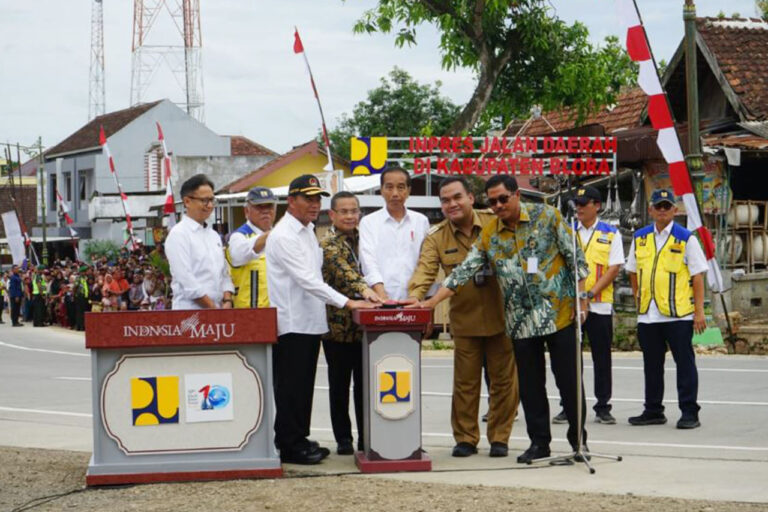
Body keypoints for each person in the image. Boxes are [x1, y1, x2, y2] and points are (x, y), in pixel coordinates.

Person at [414, 175, 590, 464]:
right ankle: (539, 444)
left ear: (516, 195)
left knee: (569, 383)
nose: (497, 206)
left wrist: (582, 299)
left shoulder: (547, 215)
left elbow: (575, 258)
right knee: (531, 388)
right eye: (492, 201)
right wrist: (431, 301)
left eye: (502, 199)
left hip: (558, 314)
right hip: (520, 322)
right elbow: (464, 271)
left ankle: (578, 443)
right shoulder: (490, 234)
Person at [265, 174, 377, 465]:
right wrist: (348, 300)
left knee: (303, 386)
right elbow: (307, 280)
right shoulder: (284, 235)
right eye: (308, 198)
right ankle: (289, 444)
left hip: (310, 321)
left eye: (317, 198)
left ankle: (299, 438)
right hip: (292, 323)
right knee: (291, 387)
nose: (314, 204)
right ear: (292, 201)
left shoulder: (306, 231)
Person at [407, 177, 519, 458]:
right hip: (465, 321)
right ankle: (466, 438)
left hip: (503, 317)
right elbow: (425, 271)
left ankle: (499, 437)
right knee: (465, 384)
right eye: (445, 200)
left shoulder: (495, 222)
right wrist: (416, 298)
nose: (451, 204)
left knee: (504, 383)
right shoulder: (437, 237)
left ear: (471, 197)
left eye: (457, 197)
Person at [625, 188, 708, 430]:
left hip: (678, 314)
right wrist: (637, 293)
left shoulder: (685, 238)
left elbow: (698, 277)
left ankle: (689, 412)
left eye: (666, 206)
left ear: (674, 210)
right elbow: (632, 270)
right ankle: (653, 410)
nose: (662, 211)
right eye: (658, 206)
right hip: (648, 315)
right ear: (650, 210)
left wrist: (699, 312)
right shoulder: (640, 237)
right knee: (651, 366)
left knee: (684, 364)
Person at [552, 186, 624, 426]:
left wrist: (590, 293)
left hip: (599, 304)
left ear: (597, 206)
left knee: (601, 357)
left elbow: (614, 268)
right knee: (570, 359)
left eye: (584, 203)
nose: (579, 208)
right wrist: (576, 297)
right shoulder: (567, 232)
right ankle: (569, 405)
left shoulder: (611, 233)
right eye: (577, 204)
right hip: (571, 305)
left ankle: (603, 406)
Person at [320, 191, 381, 455]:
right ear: (332, 215)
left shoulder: (365, 239)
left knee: (365, 387)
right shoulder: (329, 244)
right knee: (339, 386)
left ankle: (366, 436)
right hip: (338, 329)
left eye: (353, 211)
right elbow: (345, 274)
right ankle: (343, 439)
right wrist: (368, 292)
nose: (349, 216)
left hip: (366, 328)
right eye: (343, 211)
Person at [359, 166, 430, 300]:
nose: (395, 193)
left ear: (409, 191)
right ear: (381, 190)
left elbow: (426, 262)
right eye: (389, 187)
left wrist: (416, 295)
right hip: (379, 301)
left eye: (401, 187)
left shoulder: (421, 221)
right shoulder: (368, 222)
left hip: (414, 300)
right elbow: (368, 262)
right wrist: (382, 296)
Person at [165, 174, 234, 310]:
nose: (209, 206)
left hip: (219, 313)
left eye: (211, 200)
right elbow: (187, 281)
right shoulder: (178, 234)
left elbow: (224, 273)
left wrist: (227, 299)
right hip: (190, 313)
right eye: (204, 200)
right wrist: (212, 309)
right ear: (187, 201)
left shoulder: (214, 236)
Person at [226, 187, 276, 308]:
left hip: (277, 313)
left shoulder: (278, 236)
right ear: (246, 211)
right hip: (248, 315)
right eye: (259, 207)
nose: (265, 211)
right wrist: (276, 232)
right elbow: (240, 254)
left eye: (269, 206)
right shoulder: (238, 237)